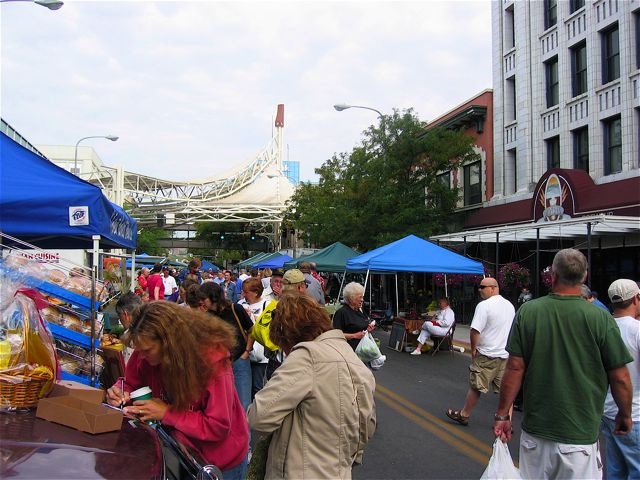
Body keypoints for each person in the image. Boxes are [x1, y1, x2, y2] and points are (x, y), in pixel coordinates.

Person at [493, 248, 633, 480]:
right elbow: (620, 376)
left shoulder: (529, 312)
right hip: (579, 437)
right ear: (584, 277)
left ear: (553, 275)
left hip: (536, 435)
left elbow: (515, 367)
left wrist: (502, 415)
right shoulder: (601, 318)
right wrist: (624, 414)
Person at [105, 302, 249, 480]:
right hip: (177, 448)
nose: (141, 356)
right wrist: (121, 391)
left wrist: (166, 412)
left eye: (147, 351)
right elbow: (132, 383)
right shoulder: (146, 349)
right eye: (139, 350)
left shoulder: (212, 362)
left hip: (219, 461)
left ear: (169, 343)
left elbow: (217, 425)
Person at [247, 294, 376, 479]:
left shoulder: (307, 356)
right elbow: (367, 428)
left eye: (282, 344)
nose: (284, 351)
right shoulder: (353, 359)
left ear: (289, 334)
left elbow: (259, 417)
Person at [446, 278, 515, 426]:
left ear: (493, 288)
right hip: (504, 355)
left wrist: (474, 349)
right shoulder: (509, 306)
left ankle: (464, 414)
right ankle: (507, 420)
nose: (479, 289)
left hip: (487, 354)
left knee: (476, 386)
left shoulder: (484, 306)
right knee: (506, 391)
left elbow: (475, 331)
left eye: (483, 287)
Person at [601, 279, 640, 479]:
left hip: (607, 409)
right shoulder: (636, 330)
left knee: (616, 469)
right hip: (633, 412)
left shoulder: (602, 326)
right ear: (636, 298)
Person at [199, 282, 253, 412]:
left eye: (204, 298)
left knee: (243, 404)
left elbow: (251, 330)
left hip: (240, 361)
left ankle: (245, 432)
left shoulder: (236, 309)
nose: (202, 302)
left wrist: (247, 351)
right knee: (225, 406)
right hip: (220, 365)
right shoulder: (207, 316)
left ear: (213, 297)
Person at [237, 277, 269, 399]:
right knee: (242, 389)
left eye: (246, 292)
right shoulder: (240, 304)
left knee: (257, 388)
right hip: (242, 354)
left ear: (256, 292)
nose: (243, 295)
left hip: (260, 356)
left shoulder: (267, 305)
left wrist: (253, 318)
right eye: (243, 291)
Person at [332, 281, 374, 351]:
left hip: (363, 350)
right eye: (360, 297)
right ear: (352, 298)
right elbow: (335, 335)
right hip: (348, 351)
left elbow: (361, 328)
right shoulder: (342, 313)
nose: (362, 300)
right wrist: (354, 336)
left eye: (362, 297)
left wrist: (368, 330)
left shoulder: (359, 310)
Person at [114, 292, 143, 364]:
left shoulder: (131, 337)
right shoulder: (146, 329)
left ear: (125, 314)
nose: (119, 319)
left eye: (119, 315)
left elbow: (126, 370)